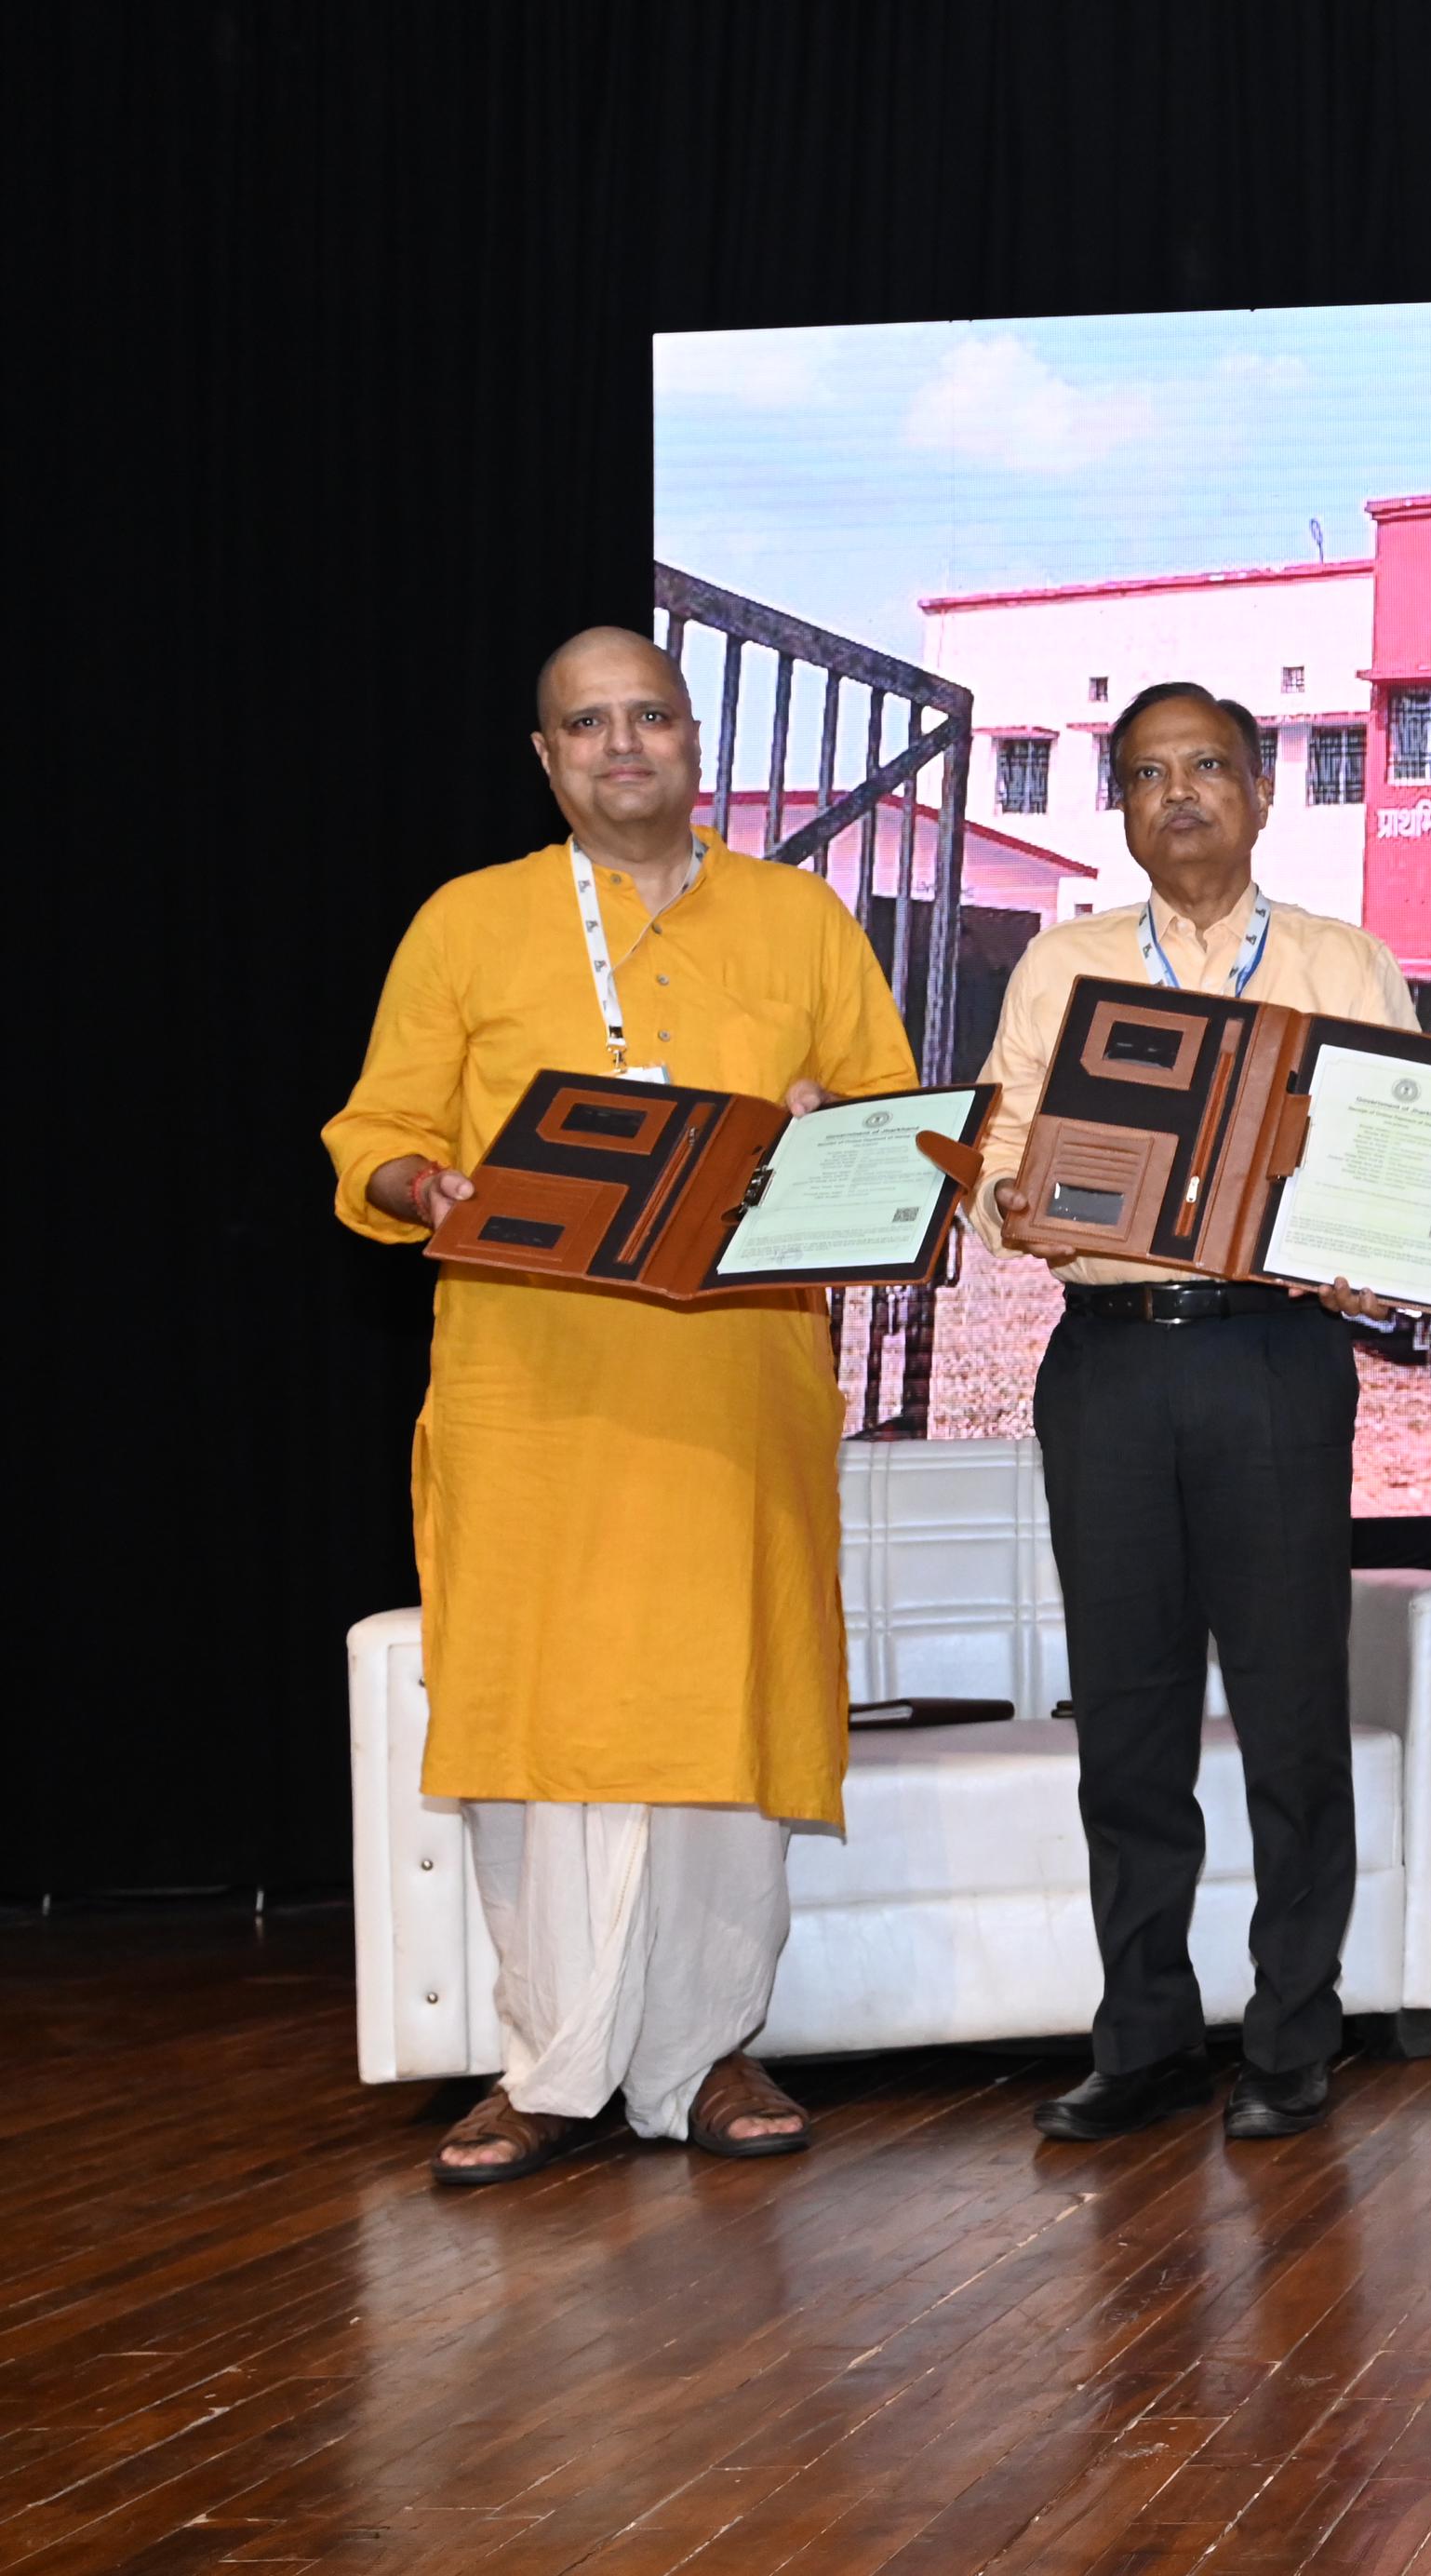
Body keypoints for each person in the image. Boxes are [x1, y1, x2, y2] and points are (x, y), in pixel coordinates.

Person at [326, 626, 918, 2182]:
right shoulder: (470, 923)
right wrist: (415, 1176)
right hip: (531, 1395)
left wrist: (827, 1137)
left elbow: (907, 1130)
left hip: (734, 1396)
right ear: (545, 759)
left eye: (647, 715)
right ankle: (546, 2065)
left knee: (725, 1717)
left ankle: (711, 2049)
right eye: (585, 725)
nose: (621, 745)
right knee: (542, 1727)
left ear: (694, 737)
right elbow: (374, 1130)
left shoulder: (798, 920)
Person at [972, 682, 1421, 2144]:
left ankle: (1294, 2031)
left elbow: (1405, 1169)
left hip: (1272, 1363)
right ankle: (1146, 2031)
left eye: (1208, 768)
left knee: (1294, 1717)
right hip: (1107, 1362)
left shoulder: (1343, 963)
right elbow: (996, 1146)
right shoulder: (1064, 964)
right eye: (1149, 773)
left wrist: (1388, 1233)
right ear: (1119, 806)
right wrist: (1016, 1201)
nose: (1180, 795)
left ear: (1262, 790)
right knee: (1131, 1723)